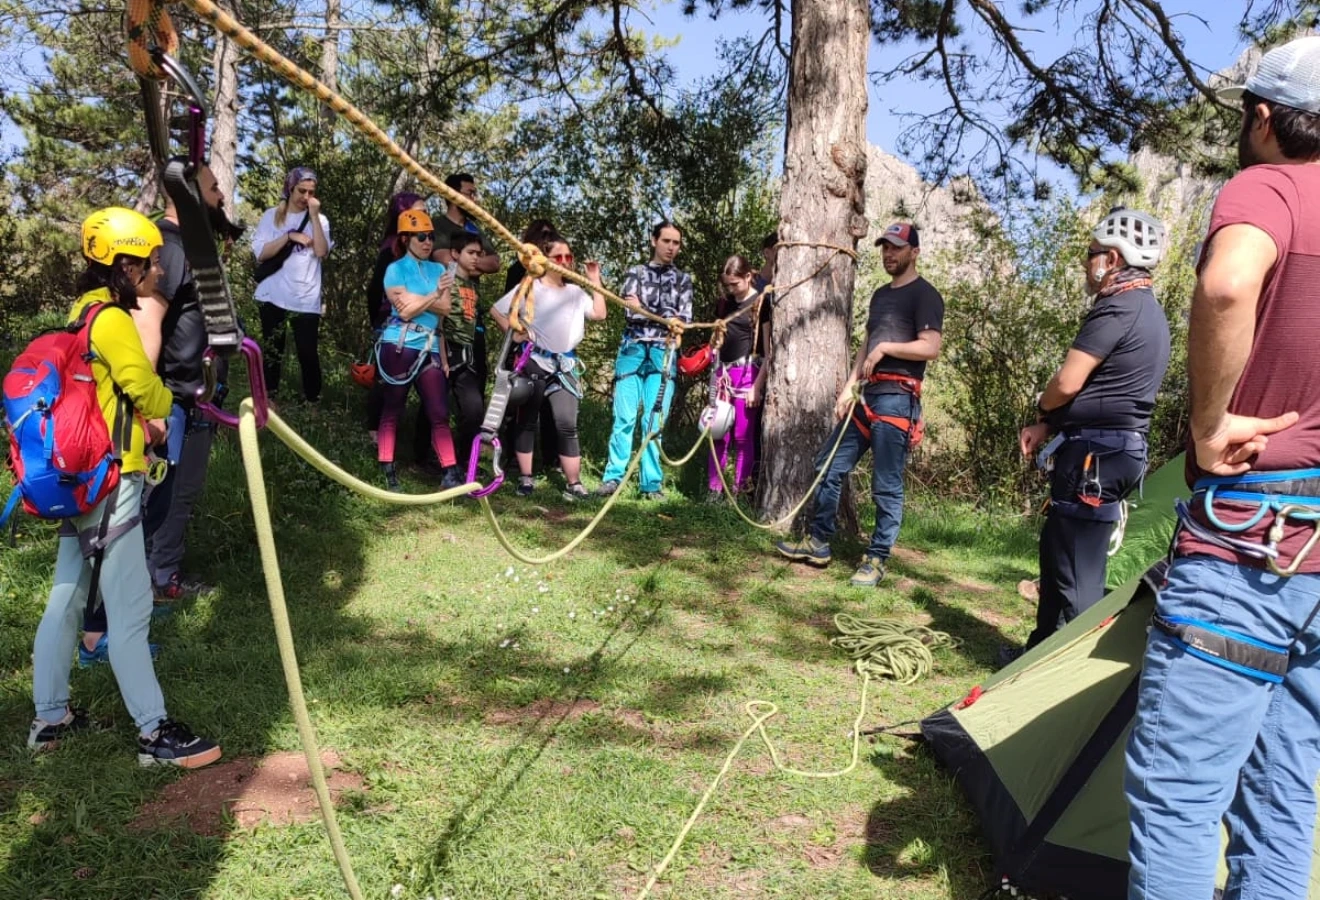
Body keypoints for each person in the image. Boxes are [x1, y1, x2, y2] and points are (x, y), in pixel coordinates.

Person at [1124, 36, 1320, 900]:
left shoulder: (1266, 187)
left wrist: (1208, 425)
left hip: (1255, 536)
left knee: (1180, 798)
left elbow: (1229, 286)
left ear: (1265, 118)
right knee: (1285, 803)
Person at [29, 206, 222, 768]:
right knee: (131, 604)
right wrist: (168, 408)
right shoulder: (112, 320)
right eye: (151, 262)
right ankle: (153, 734)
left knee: (66, 598)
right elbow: (144, 387)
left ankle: (49, 718)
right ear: (124, 266)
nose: (159, 271)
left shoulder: (78, 316)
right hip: (115, 476)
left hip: (79, 479)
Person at [1001, 208, 1170, 666]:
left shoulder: (1117, 306)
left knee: (1078, 572)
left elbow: (1069, 383)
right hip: (1105, 449)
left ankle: (1068, 674)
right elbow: (1105, 391)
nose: (1085, 263)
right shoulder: (1147, 309)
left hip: (1097, 454)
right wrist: (1050, 426)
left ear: (1111, 259)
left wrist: (1043, 405)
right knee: (1058, 551)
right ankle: (1037, 656)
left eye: (1090, 254)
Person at [774, 222, 943, 588]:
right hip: (867, 397)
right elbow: (868, 342)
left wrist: (888, 350)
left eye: (897, 248)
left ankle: (877, 557)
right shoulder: (881, 295)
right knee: (828, 464)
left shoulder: (925, 295)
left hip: (899, 399)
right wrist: (849, 388)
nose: (889, 253)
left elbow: (931, 346)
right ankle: (819, 542)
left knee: (886, 485)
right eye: (885, 247)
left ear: (914, 252)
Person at [492, 233, 607, 499]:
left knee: (567, 423)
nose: (565, 262)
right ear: (546, 259)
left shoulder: (576, 292)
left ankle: (574, 483)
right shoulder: (530, 287)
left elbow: (600, 314)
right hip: (534, 359)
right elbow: (498, 311)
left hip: (565, 364)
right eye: (559, 257)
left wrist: (594, 281)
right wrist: (515, 333)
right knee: (527, 420)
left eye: (569, 257)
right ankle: (526, 479)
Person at [597, 222, 694, 500]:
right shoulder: (635, 272)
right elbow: (632, 313)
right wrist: (665, 316)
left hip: (664, 353)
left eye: (676, 243)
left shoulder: (683, 280)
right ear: (654, 241)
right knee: (624, 417)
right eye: (666, 241)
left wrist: (652, 312)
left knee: (654, 421)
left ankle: (651, 483)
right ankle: (613, 477)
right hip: (633, 351)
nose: (671, 247)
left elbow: (683, 319)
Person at [375, 209, 461, 490]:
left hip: (431, 346)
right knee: (392, 408)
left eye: (431, 237)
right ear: (405, 239)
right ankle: (387, 468)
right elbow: (406, 311)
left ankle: (450, 471)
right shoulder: (395, 269)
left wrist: (417, 299)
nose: (428, 242)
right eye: (422, 237)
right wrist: (433, 295)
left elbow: (444, 309)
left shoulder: (439, 269)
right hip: (399, 344)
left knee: (439, 411)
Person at [251, 166, 331, 402]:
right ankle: (269, 402)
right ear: (290, 188)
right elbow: (261, 253)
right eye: (301, 191)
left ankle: (312, 402)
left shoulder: (321, 220)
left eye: (311, 192)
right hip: (272, 294)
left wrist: (314, 217)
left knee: (308, 353)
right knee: (273, 351)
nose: (306, 197)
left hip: (306, 297)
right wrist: (289, 236)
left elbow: (321, 250)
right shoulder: (272, 215)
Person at [706, 255, 772, 501]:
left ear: (747, 277)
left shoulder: (760, 303)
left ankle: (740, 489)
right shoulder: (724, 304)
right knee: (718, 432)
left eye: (735, 284)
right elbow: (716, 342)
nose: (731, 289)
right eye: (728, 285)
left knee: (743, 435)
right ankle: (715, 489)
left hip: (748, 372)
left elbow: (768, 350)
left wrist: (757, 385)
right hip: (722, 373)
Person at [365, 192, 424, 442]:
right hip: (390, 321)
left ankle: (392, 436)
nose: (425, 217)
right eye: (419, 212)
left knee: (402, 379)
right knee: (385, 377)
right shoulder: (391, 248)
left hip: (417, 323)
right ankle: (374, 432)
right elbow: (374, 289)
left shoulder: (423, 247)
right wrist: (378, 322)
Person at [505, 218, 562, 473]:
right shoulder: (517, 270)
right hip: (524, 346)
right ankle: (513, 458)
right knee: (520, 401)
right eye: (541, 236)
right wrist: (520, 335)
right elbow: (508, 309)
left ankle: (551, 459)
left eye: (550, 236)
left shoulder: (560, 273)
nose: (545, 240)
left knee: (553, 406)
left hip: (554, 347)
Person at [442, 233, 489, 466]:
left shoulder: (473, 284)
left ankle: (465, 465)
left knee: (473, 411)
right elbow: (438, 319)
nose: (476, 259)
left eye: (479, 254)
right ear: (455, 253)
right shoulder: (444, 280)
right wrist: (442, 356)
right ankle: (423, 459)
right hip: (445, 350)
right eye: (471, 253)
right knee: (435, 408)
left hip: (467, 354)